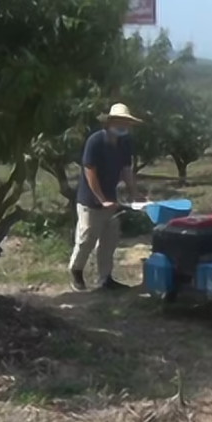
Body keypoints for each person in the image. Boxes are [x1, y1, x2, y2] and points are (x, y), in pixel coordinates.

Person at [68, 103, 143, 291]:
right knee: (86, 238)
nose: (123, 126)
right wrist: (101, 199)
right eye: (119, 121)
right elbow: (89, 171)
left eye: (126, 122)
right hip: (90, 200)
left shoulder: (124, 144)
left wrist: (134, 192)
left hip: (111, 200)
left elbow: (126, 169)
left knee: (109, 239)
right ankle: (76, 271)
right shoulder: (95, 141)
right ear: (109, 123)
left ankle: (105, 278)